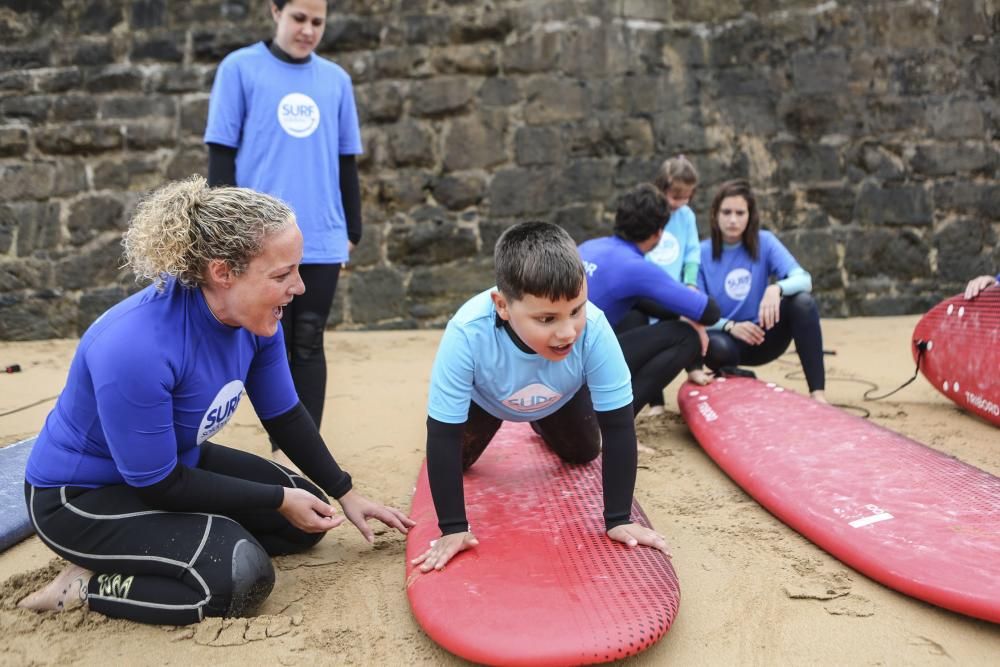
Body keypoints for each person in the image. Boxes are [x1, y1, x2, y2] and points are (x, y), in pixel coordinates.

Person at [18, 177, 412, 625]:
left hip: (178, 464)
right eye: (282, 275)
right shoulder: (135, 347)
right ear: (222, 272)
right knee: (239, 576)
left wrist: (346, 492)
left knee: (306, 510)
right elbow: (158, 484)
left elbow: (284, 415)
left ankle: (167, 547)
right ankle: (84, 585)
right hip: (81, 497)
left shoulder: (256, 318)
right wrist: (275, 497)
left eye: (297, 270)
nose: (299, 287)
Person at [410, 222, 670, 573]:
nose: (567, 331)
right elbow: (443, 433)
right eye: (547, 318)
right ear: (502, 305)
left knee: (584, 453)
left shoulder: (594, 328)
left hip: (557, 398)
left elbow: (619, 425)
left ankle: (538, 420)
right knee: (456, 464)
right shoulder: (466, 333)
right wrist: (454, 528)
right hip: (486, 402)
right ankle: (527, 413)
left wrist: (618, 518)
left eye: (576, 310)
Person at [204, 0, 362, 467]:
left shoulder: (336, 80)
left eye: (318, 22)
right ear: (275, 11)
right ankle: (282, 443)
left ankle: (298, 456)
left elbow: (346, 160)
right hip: (256, 240)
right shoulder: (239, 69)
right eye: (299, 18)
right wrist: (222, 232)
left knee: (309, 340)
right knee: (269, 340)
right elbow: (221, 156)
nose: (308, 30)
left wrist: (352, 228)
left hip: (322, 234)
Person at [578, 184, 721, 415]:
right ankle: (613, 421)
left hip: (558, 370)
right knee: (686, 337)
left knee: (635, 311)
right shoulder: (633, 267)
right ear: (658, 233)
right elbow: (710, 311)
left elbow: (641, 301)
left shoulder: (589, 247)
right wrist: (691, 317)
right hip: (580, 373)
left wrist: (682, 313)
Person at [697, 179, 828, 403]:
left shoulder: (765, 242)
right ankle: (730, 377)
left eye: (740, 213)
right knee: (714, 346)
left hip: (764, 338)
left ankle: (818, 394)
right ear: (715, 214)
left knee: (802, 303)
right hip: (726, 342)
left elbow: (804, 279)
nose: (733, 220)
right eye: (726, 212)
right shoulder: (700, 252)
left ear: (750, 216)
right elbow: (694, 310)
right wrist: (730, 326)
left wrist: (776, 288)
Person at [644, 155, 711, 401]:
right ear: (662, 188)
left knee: (691, 321)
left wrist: (690, 282)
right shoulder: (650, 213)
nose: (680, 202)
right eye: (676, 196)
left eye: (686, 197)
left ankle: (694, 368)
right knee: (652, 342)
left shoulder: (686, 216)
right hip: (651, 289)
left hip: (677, 286)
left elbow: (692, 252)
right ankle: (655, 399)